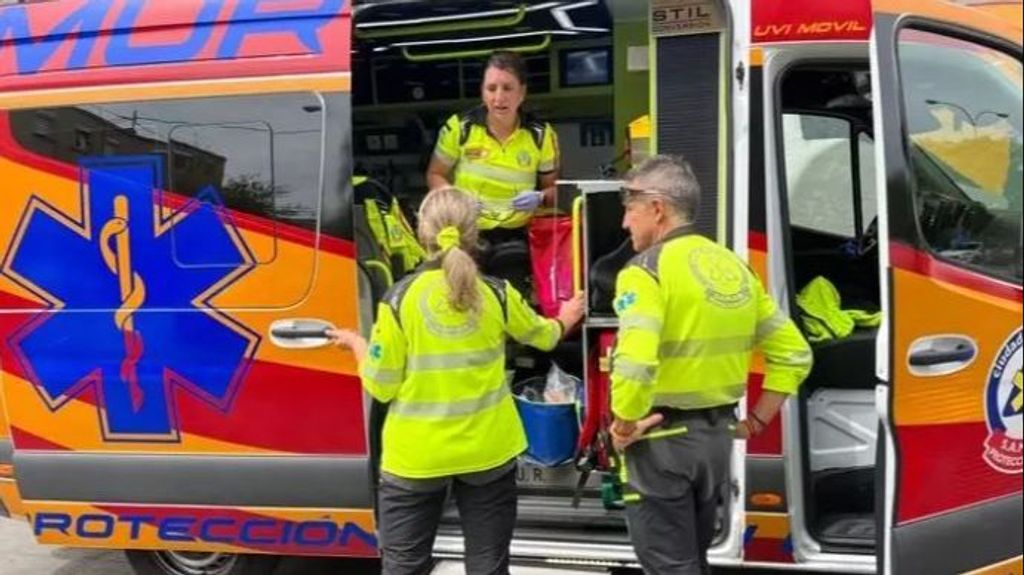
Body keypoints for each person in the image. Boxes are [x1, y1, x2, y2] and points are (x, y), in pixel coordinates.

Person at [329, 186, 584, 575]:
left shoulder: (399, 300)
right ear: (474, 232)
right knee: (487, 564)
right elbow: (547, 336)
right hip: (488, 450)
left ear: (421, 233)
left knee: (405, 566)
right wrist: (568, 312)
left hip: (416, 457)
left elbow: (381, 386)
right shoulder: (498, 294)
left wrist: (357, 344)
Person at [606, 155, 813, 574]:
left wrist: (624, 423)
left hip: (659, 441)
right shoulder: (733, 267)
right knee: (694, 559)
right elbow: (795, 353)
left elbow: (636, 363)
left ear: (657, 208)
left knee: (669, 566)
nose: (625, 223)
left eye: (630, 208)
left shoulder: (643, 271)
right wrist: (754, 422)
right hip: (715, 443)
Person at [425, 51, 560, 265]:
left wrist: (540, 198)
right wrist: (459, 199)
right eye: (491, 88)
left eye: (508, 88)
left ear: (522, 93)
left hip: (519, 238)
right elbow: (434, 175)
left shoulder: (541, 135)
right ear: (482, 92)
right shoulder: (459, 128)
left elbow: (555, 190)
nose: (499, 98)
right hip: (468, 234)